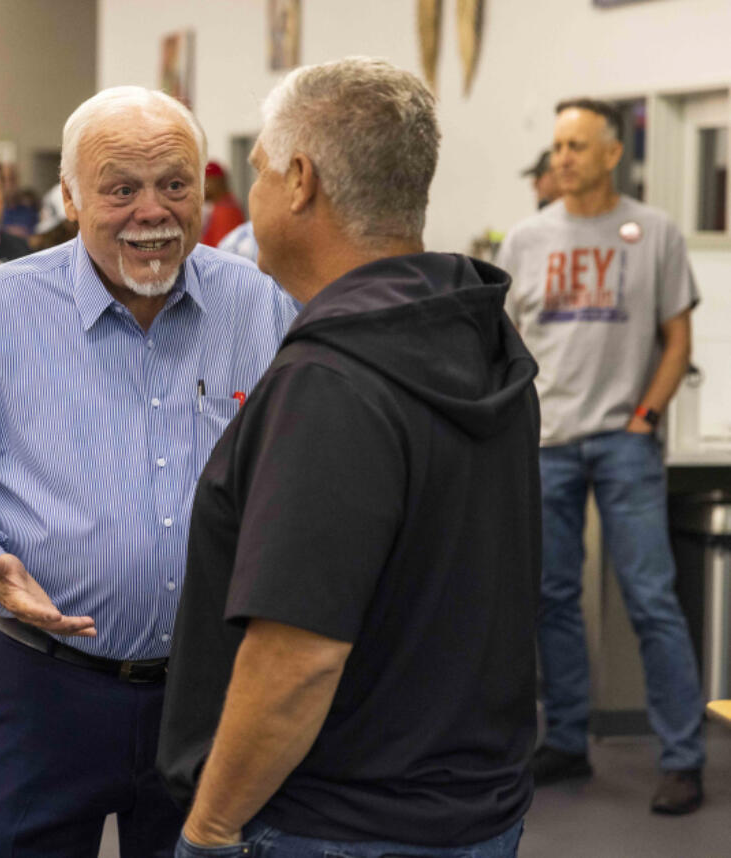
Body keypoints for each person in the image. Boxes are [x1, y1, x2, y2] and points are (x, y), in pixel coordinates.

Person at [0, 85, 298, 858]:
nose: (153, 211)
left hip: (210, 693)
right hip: (42, 691)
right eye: (121, 189)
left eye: (176, 185)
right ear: (72, 199)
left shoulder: (259, 307)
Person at [159, 57, 540, 858]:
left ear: (300, 181)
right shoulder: (472, 337)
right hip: (470, 806)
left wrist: (211, 826)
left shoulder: (332, 380)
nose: (252, 195)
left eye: (259, 171)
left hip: (337, 823)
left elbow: (299, 655)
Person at [496, 97, 705, 815]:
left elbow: (678, 338)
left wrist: (646, 415)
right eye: (558, 145)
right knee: (553, 597)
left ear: (613, 154)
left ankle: (682, 756)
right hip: (546, 443)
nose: (563, 158)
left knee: (651, 599)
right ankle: (566, 739)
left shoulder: (655, 233)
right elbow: (503, 343)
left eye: (578, 146)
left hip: (624, 442)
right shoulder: (525, 239)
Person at [199, 161, 245, 247]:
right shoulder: (224, 205)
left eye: (204, 181)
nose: (200, 188)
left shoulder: (226, 211)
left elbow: (221, 251)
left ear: (216, 182)